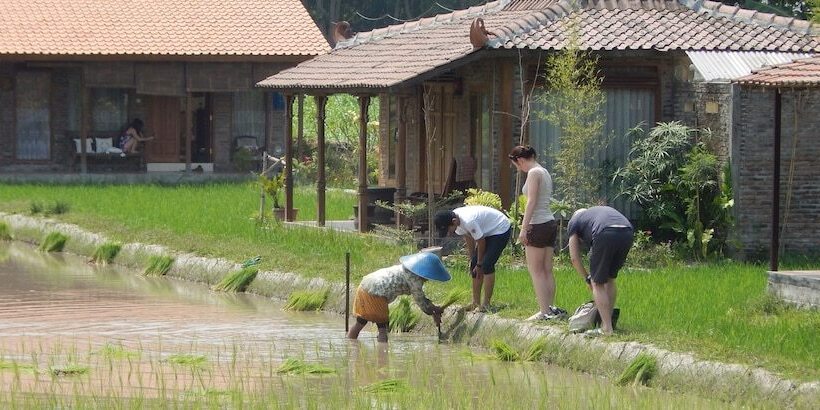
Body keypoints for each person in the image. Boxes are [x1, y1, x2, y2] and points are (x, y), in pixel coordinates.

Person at [508, 145, 565, 321]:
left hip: (537, 224)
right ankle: (549, 308)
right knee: (547, 270)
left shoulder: (533, 173)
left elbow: (531, 201)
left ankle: (544, 311)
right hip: (549, 223)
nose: (519, 169)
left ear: (520, 160)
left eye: (517, 165)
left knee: (536, 271)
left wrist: (523, 228)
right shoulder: (544, 171)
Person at [347, 252, 449, 343]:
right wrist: (433, 311)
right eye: (428, 276)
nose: (428, 280)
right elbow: (420, 300)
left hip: (364, 286)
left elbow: (422, 298)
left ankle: (351, 349)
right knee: (383, 329)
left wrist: (433, 310)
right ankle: (383, 359)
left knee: (360, 323)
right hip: (376, 293)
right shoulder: (415, 280)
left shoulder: (404, 268)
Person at [567, 206, 634, 336]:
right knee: (610, 279)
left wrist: (587, 278)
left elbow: (574, 258)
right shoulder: (594, 213)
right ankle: (607, 323)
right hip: (627, 231)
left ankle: (607, 328)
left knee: (597, 283)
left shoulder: (574, 222)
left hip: (605, 232)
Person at [434, 205, 511, 312]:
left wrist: (479, 264)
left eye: (448, 229)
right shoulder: (456, 223)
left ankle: (486, 304)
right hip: (485, 232)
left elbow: (481, 241)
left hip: (499, 228)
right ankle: (475, 303)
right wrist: (473, 260)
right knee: (474, 265)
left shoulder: (469, 221)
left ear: (454, 221)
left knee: (487, 264)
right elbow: (469, 237)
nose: (449, 232)